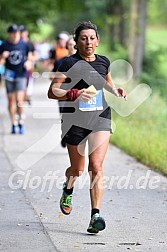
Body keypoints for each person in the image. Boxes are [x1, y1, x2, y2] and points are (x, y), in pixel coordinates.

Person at [47, 21, 127, 233]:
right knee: (78, 170)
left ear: (98, 41)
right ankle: (68, 188)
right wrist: (72, 93)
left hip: (100, 117)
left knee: (96, 166)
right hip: (75, 121)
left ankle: (95, 215)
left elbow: (106, 82)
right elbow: (52, 91)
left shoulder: (103, 62)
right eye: (84, 38)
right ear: (77, 41)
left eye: (92, 38)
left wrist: (115, 90)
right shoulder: (67, 63)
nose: (88, 42)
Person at [0, 24, 31, 134]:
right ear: (9, 34)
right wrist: (3, 57)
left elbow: (30, 57)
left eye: (16, 33)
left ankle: (20, 122)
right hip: (9, 76)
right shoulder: (4, 45)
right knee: (10, 102)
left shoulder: (24, 44)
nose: (14, 35)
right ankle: (13, 123)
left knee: (19, 101)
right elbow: (0, 63)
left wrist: (28, 62)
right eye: (12, 33)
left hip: (21, 75)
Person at [19, 25, 39, 105]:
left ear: (26, 33)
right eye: (20, 32)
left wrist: (31, 60)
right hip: (19, 67)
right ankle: (22, 99)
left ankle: (26, 97)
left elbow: (36, 55)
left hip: (28, 68)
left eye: (23, 32)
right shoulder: (17, 43)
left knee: (27, 84)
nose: (22, 34)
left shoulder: (29, 43)